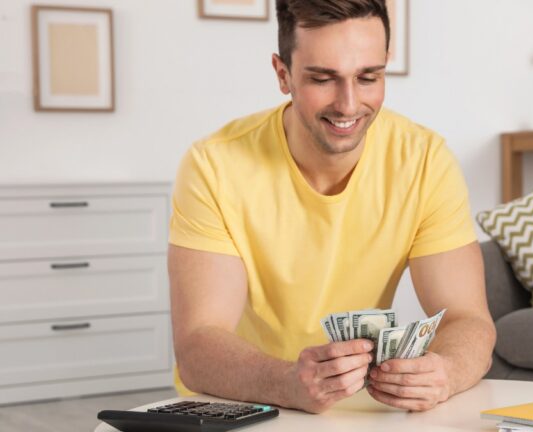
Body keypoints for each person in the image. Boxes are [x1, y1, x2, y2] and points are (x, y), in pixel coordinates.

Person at [168, 0, 496, 414]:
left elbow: (469, 319)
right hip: (244, 405)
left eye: (368, 77)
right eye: (323, 79)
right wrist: (287, 382)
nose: (348, 104)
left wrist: (445, 371)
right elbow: (198, 345)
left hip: (363, 411)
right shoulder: (213, 165)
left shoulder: (425, 161)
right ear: (282, 73)